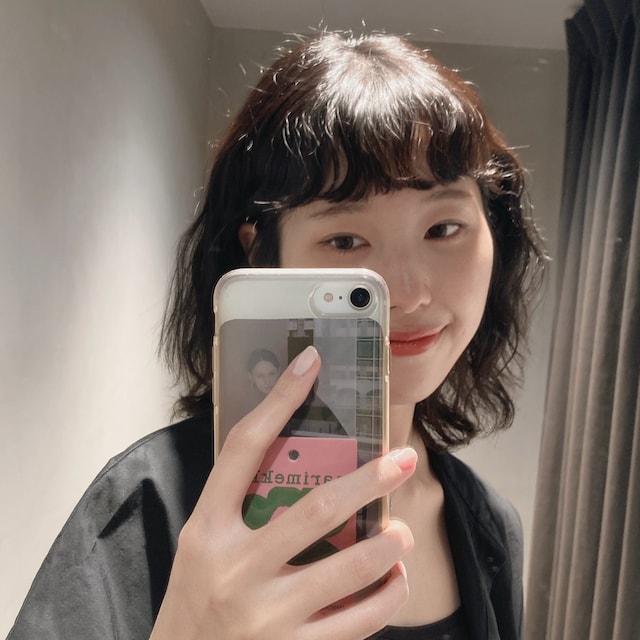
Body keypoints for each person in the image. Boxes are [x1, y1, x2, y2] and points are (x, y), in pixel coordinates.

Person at [8, 31, 545, 639]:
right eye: (345, 240)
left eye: (444, 228)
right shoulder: (149, 502)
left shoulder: (489, 529)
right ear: (262, 254)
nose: (409, 291)